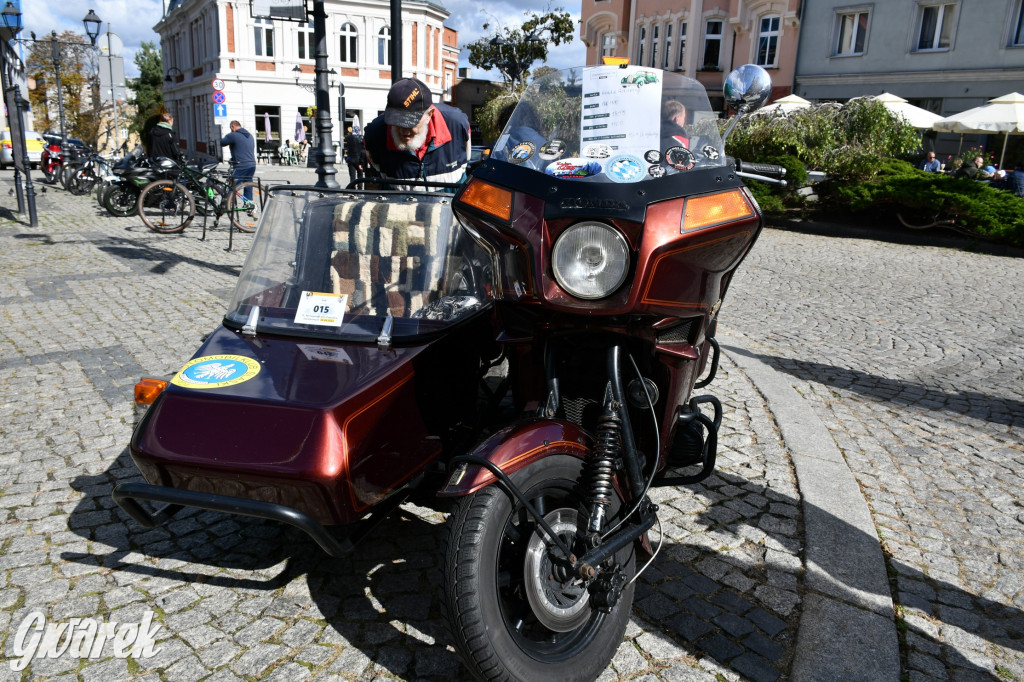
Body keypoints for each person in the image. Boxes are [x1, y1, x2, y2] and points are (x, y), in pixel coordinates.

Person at [363, 78, 471, 188]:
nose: (404, 131)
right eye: (396, 122)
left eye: (410, 123)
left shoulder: (457, 126)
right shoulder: (375, 135)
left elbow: (466, 158)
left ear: (429, 115)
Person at [221, 120, 257, 201]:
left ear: (233, 127)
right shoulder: (250, 135)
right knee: (248, 184)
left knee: (233, 187)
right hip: (252, 165)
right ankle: (249, 204)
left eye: (231, 128)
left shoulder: (234, 135)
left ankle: (229, 204)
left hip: (241, 165)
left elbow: (222, 142)